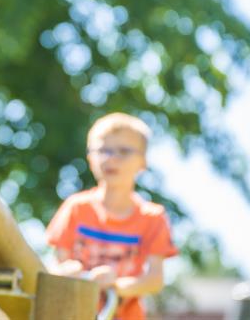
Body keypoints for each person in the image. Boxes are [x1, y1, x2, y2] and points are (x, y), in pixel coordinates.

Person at [46, 113, 179, 320]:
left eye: (124, 151)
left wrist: (114, 284)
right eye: (103, 150)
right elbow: (55, 266)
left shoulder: (153, 217)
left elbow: (154, 279)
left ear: (142, 161)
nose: (111, 158)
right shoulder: (76, 208)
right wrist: (68, 273)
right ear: (90, 158)